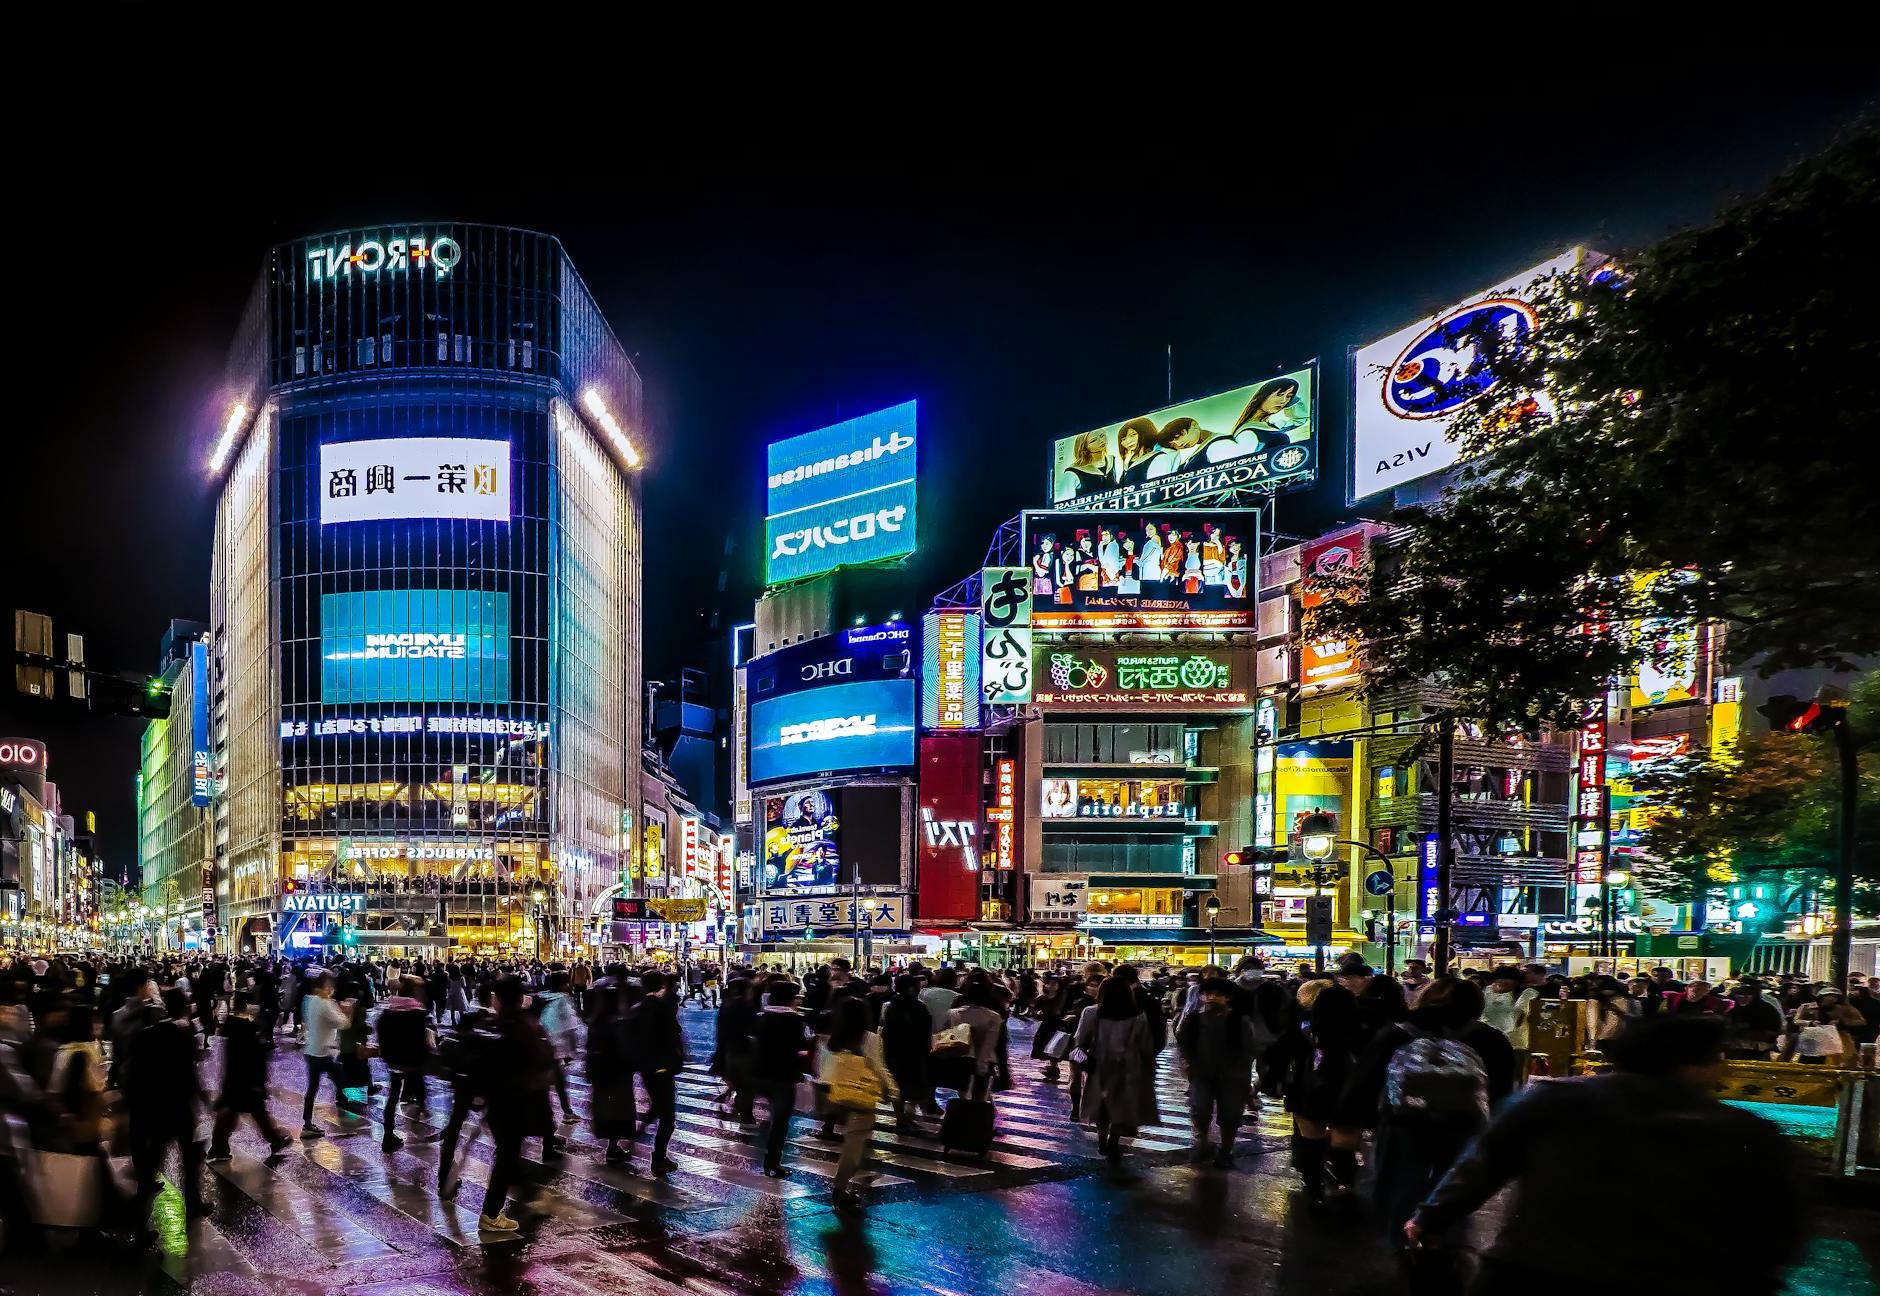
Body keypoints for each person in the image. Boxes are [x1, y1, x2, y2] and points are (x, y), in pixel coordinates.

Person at [1407, 1016, 1804, 1295]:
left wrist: (1431, 1218)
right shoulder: (1740, 1129)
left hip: (1533, 1272)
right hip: (1674, 1279)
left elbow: (1484, 1166)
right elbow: (1777, 1220)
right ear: (1693, 1067)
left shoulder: (1554, 1099)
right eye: (1718, 1058)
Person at [1335, 975, 1516, 1242]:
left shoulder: (1397, 1033)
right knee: (1452, 1188)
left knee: (1397, 1186)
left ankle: (1401, 1242)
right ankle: (1443, 1240)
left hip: (1403, 1122)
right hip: (1463, 1125)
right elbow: (1501, 1089)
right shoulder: (1491, 1039)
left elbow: (1364, 1081)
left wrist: (1348, 1123)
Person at [476, 975, 556, 1233]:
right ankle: (493, 1212)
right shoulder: (524, 1026)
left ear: (497, 999)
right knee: (507, 1155)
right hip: (516, 1102)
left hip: (499, 1102)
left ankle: (526, 1194)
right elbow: (544, 1059)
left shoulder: (492, 1024)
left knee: (507, 1153)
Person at [127, 989, 211, 1231]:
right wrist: (202, 1099)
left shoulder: (145, 1036)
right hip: (179, 1107)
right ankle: (193, 1203)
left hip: (153, 1108)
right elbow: (190, 1075)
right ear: (185, 1007)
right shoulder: (185, 1037)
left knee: (152, 1162)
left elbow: (135, 1073)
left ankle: (139, 1216)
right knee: (189, 1158)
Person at [819, 996, 898, 1210]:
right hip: (860, 1095)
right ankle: (840, 1189)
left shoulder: (833, 1039)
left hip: (837, 1094)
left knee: (855, 1141)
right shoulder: (869, 1038)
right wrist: (891, 1089)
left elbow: (824, 1069)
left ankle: (848, 1179)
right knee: (855, 1143)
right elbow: (878, 1066)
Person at [1073, 975, 1160, 1162]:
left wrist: (1083, 1061)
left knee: (1101, 1107)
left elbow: (1079, 1042)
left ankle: (1102, 1139)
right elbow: (1146, 1046)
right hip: (1130, 1068)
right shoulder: (1138, 1016)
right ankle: (1114, 1138)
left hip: (1099, 1066)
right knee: (1122, 1106)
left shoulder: (1091, 1012)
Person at [1176, 976, 1256, 1168]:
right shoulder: (1194, 1019)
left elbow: (1249, 1049)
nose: (1211, 998)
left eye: (1217, 995)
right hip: (1201, 1075)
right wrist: (1187, 1064)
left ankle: (1225, 1151)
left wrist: (1240, 1072)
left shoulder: (1240, 1021)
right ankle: (1202, 1141)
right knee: (1200, 1109)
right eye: (1208, 994)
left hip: (1232, 1078)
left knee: (1230, 1116)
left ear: (1227, 998)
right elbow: (1184, 1044)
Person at [208, 991, 295, 1162]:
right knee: (252, 1111)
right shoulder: (245, 1029)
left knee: (239, 1112)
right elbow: (251, 1057)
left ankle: (219, 1147)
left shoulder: (235, 1026)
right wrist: (258, 1081)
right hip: (245, 1080)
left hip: (237, 1079)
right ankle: (220, 1147)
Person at [751, 979, 812, 1177]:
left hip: (761, 1072)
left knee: (774, 1116)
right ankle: (772, 1161)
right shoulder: (794, 1020)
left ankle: (768, 1153)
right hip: (784, 1075)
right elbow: (801, 1047)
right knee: (781, 1120)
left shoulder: (761, 1017)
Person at [375, 975, 435, 1152]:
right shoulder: (418, 1014)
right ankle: (423, 1111)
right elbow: (424, 1040)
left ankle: (387, 1136)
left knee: (392, 1098)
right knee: (418, 1084)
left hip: (394, 1061)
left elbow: (381, 1035)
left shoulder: (388, 1012)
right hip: (413, 1061)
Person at [631, 969, 683, 1175]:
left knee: (659, 1105)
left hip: (646, 1066)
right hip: (662, 1065)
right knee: (668, 1116)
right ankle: (659, 1158)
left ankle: (642, 1132)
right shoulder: (661, 1008)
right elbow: (672, 1034)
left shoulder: (638, 1008)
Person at [584, 975, 640, 1166]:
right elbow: (626, 1052)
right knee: (619, 1112)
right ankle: (613, 1148)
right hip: (618, 1077)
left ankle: (612, 1146)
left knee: (606, 1110)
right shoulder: (619, 1025)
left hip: (601, 1077)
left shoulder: (595, 1024)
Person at [299, 972, 356, 1138]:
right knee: (342, 1078)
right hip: (323, 1053)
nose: (331, 988)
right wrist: (349, 1010)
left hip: (311, 1050)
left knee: (313, 1088)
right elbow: (344, 1023)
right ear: (323, 986)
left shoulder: (308, 1000)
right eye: (329, 985)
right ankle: (346, 1112)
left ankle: (307, 1123)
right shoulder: (326, 1003)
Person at [878, 973, 934, 1129]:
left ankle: (900, 1117)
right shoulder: (920, 1007)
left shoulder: (889, 1006)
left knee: (897, 1084)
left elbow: (883, 1028)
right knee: (914, 1083)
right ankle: (907, 1115)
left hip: (894, 1050)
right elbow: (925, 1030)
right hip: (914, 1051)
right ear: (911, 988)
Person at [944, 974, 1005, 1101]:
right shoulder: (993, 1017)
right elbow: (989, 1043)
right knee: (981, 1096)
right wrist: (981, 1064)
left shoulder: (953, 1014)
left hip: (961, 1058)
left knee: (962, 1093)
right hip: (985, 1060)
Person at [535, 971, 581, 1125]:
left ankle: (565, 1113)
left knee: (555, 1082)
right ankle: (562, 1115)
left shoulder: (541, 997)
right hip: (553, 1048)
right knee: (557, 1082)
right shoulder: (563, 1000)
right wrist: (573, 1050)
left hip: (540, 1046)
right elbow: (570, 1026)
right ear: (563, 984)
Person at [711, 977, 759, 1124]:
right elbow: (753, 1028)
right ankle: (746, 1116)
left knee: (739, 1082)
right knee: (746, 1086)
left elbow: (720, 1031)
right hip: (744, 1050)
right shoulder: (747, 1007)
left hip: (729, 1050)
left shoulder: (726, 1006)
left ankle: (740, 1108)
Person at [1723, 982, 1784, 1059]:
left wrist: (1748, 1033)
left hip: (1760, 1050)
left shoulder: (1767, 1009)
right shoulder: (1733, 1009)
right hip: (1736, 1049)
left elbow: (1775, 1030)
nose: (1742, 997)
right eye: (1739, 995)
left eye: (1747, 995)